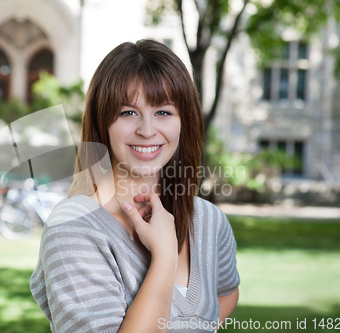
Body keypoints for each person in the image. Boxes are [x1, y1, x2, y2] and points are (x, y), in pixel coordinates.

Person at [30, 39, 240, 333]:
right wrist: (164, 256)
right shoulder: (73, 228)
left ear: (184, 122)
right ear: (104, 122)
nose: (147, 130)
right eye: (128, 112)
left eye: (163, 112)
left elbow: (227, 294)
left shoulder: (208, 220)